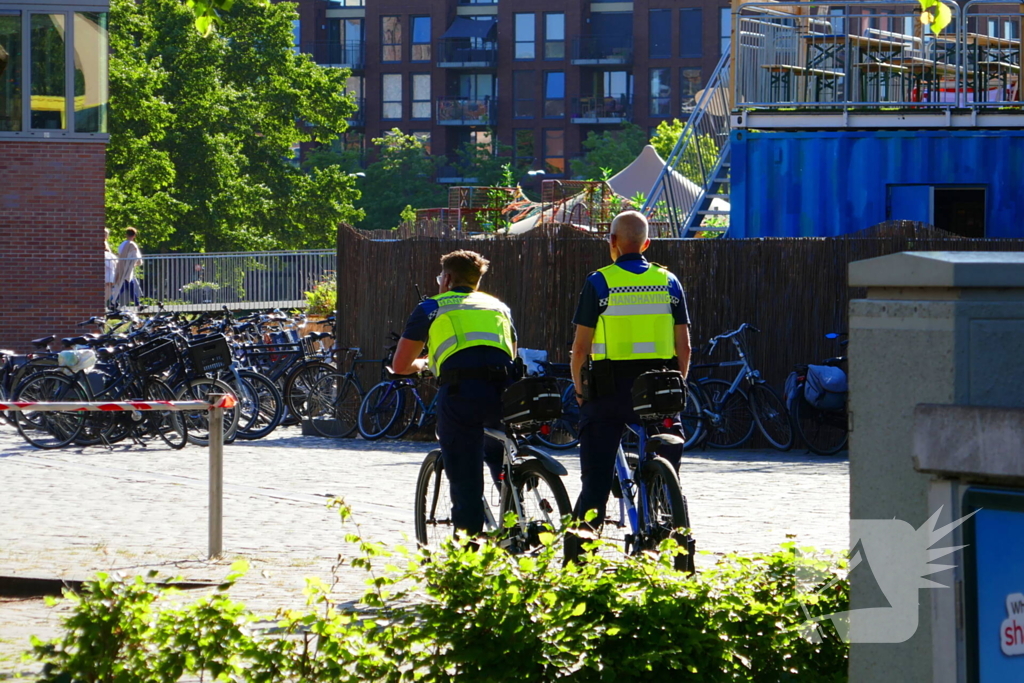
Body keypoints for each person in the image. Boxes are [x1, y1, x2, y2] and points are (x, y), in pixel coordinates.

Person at [567, 210, 691, 558]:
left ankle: (578, 564)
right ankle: (666, 522)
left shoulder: (599, 282)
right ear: (647, 243)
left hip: (609, 389)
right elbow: (685, 346)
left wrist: (579, 389)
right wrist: (678, 386)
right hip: (659, 387)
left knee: (595, 482)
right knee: (666, 455)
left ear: (613, 242)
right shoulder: (668, 282)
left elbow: (580, 348)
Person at [391, 250, 517, 537]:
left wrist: (423, 364)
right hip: (504, 389)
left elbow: (400, 365)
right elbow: (512, 351)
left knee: (464, 472)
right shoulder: (499, 307)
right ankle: (517, 518)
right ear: (476, 281)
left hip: (461, 391)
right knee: (500, 455)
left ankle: (468, 550)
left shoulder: (431, 307)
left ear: (446, 279)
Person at [113, 227, 143, 307]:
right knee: (127, 285)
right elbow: (137, 257)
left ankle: (137, 304)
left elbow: (119, 253)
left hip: (121, 266)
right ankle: (114, 301)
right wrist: (136, 263)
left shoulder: (122, 244)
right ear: (134, 236)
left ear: (126, 235)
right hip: (128, 268)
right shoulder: (132, 245)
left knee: (127, 285)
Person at [103, 228, 117, 307]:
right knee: (107, 287)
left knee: (108, 288)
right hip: (107, 268)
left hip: (109, 268)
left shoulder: (106, 243)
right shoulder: (103, 243)